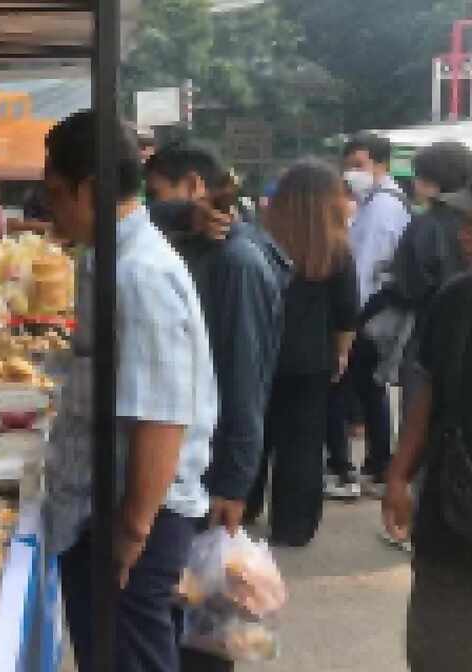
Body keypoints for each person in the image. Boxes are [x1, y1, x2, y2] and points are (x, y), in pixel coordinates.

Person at [43, 111, 217, 672]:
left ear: (90, 188)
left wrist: (133, 529)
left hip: (131, 519)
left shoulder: (138, 275)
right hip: (111, 511)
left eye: (54, 193)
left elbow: (162, 419)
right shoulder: (107, 258)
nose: (49, 209)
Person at [145, 144, 291, 672]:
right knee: (189, 609)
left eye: (158, 191)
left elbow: (244, 379)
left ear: (193, 185)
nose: (150, 204)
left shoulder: (237, 263)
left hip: (216, 470)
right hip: (199, 459)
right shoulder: (204, 245)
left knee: (210, 615)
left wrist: (235, 481)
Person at [336, 143, 472, 500]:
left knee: (423, 414)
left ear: (431, 180)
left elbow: (409, 283)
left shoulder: (426, 224)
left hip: (425, 330)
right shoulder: (441, 221)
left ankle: (418, 494)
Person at [246, 159, 358, 547]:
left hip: (260, 352)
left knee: (254, 433)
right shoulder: (337, 249)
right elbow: (347, 312)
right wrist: (340, 354)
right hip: (311, 358)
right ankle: (293, 526)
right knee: (303, 444)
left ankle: (241, 507)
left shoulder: (261, 241)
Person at [381, 219, 472, 669]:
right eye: (467, 225)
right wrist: (399, 475)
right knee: (437, 650)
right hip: (450, 508)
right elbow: (427, 394)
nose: (464, 236)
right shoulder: (455, 299)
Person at [338, 133, 409, 497]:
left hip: (370, 308)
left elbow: (365, 270)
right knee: (368, 387)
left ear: (381, 163)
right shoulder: (372, 202)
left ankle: (379, 464)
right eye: (348, 165)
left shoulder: (383, 207)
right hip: (369, 307)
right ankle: (377, 462)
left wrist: (349, 321)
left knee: (368, 385)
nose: (352, 173)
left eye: (359, 165)